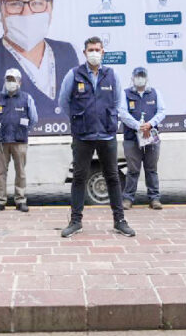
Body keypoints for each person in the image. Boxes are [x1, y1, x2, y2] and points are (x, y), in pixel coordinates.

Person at [58, 36, 135, 238]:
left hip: (106, 134)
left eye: (97, 49)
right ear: (84, 53)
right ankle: (75, 222)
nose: (94, 53)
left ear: (103, 53)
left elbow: (119, 103)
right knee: (79, 178)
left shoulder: (112, 75)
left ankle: (120, 221)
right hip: (83, 135)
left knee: (112, 177)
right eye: (90, 49)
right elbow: (64, 102)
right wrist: (79, 119)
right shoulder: (74, 75)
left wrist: (110, 121)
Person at [0, 68, 38, 213]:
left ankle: (20, 200)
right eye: (8, 79)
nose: (10, 82)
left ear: (19, 82)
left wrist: (24, 131)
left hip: (20, 142)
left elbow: (34, 119)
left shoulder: (26, 98)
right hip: (2, 142)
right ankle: (0, 201)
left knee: (20, 172)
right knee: (1, 173)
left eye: (13, 79)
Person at [119, 67, 166, 210]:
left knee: (151, 169)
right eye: (137, 76)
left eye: (142, 76)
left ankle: (154, 198)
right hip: (131, 138)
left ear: (147, 77)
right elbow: (122, 113)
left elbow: (162, 111)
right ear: (132, 78)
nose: (140, 78)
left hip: (151, 136)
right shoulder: (125, 93)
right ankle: (127, 199)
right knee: (133, 170)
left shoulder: (155, 93)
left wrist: (150, 124)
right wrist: (138, 126)